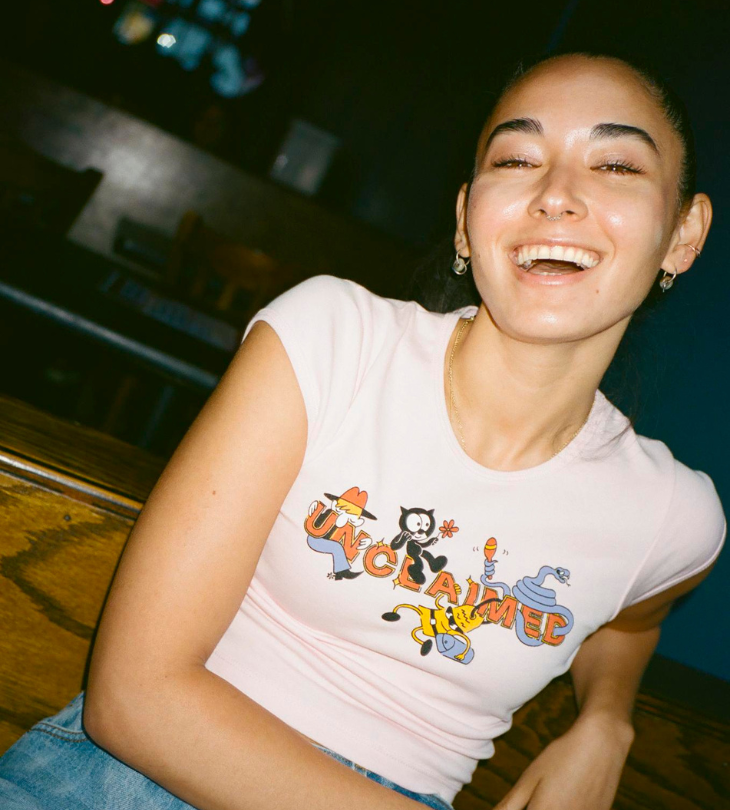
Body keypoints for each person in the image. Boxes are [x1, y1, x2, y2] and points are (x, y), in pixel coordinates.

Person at [0, 50, 726, 810]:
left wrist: (608, 722)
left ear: (682, 233)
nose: (556, 196)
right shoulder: (333, 338)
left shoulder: (669, 514)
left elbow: (630, 620)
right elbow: (135, 699)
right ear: (465, 220)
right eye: (517, 158)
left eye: (615, 166)